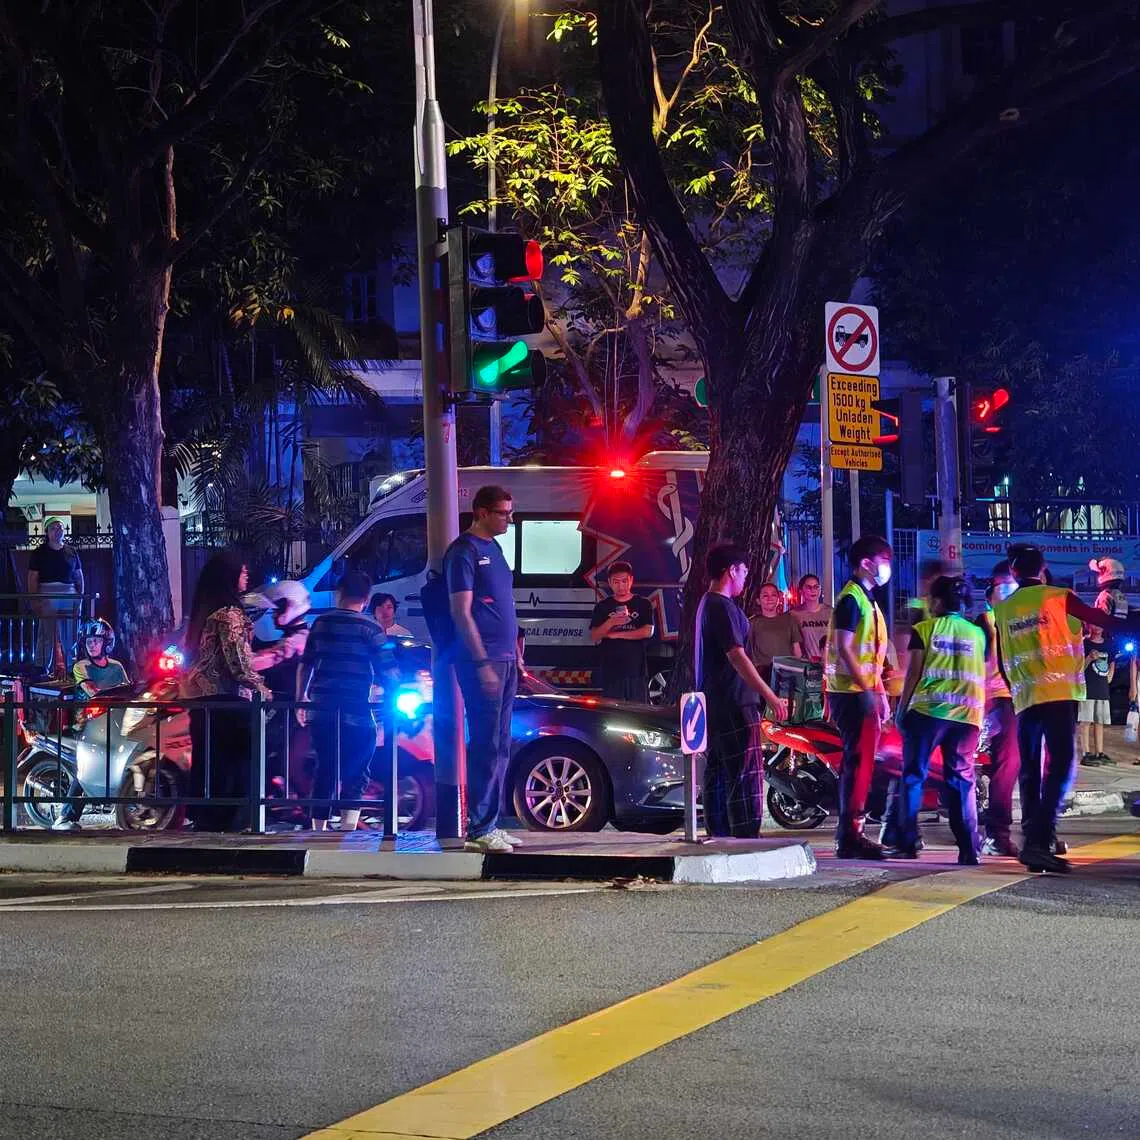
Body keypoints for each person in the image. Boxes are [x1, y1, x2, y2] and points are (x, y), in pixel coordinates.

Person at [992, 543, 1135, 872]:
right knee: (1061, 767)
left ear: (1013, 572)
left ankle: (1035, 842)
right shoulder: (1059, 596)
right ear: (1042, 569)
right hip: (1058, 695)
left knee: (1029, 771)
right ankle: (1040, 839)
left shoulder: (1004, 609)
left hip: (1025, 699)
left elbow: (1002, 659)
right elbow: (1101, 621)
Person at [445, 485, 525, 854]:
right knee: (486, 744)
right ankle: (478, 827)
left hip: (506, 659)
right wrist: (482, 664)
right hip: (484, 662)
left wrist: (515, 656)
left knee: (501, 744)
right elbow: (461, 612)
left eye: (509, 512)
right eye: (502, 512)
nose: (509, 518)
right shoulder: (464, 552)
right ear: (480, 512)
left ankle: (490, 821)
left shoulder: (495, 549)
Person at [889, 576, 986, 864]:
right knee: (961, 781)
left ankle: (907, 842)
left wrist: (901, 710)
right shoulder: (977, 634)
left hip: (928, 714)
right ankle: (969, 848)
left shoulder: (925, 630)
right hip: (968, 717)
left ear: (938, 601)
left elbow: (913, 674)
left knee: (914, 776)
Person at [695, 544, 787, 838]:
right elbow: (737, 655)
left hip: (717, 702)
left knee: (720, 771)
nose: (746, 577)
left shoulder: (708, 605)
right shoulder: (720, 607)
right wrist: (770, 695)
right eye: (744, 571)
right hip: (734, 702)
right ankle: (745, 835)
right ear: (731, 570)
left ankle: (720, 832)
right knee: (743, 773)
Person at [297, 572, 393, 832]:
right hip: (357, 710)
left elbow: (306, 665)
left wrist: (301, 698)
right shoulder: (371, 628)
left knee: (325, 766)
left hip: (322, 709)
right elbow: (388, 669)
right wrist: (390, 694)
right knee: (358, 766)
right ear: (366, 598)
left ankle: (319, 827)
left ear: (339, 592)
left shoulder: (320, 623)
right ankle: (348, 827)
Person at [182, 552, 271, 831]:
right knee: (234, 760)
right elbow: (238, 663)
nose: (246, 577)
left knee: (208, 760)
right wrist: (262, 688)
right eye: (243, 572)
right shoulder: (229, 615)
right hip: (227, 699)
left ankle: (206, 818)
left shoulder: (204, 611)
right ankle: (231, 820)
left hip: (201, 699)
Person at [823, 535, 894, 859]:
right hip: (851, 694)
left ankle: (852, 833)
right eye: (883, 559)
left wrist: (878, 692)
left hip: (860, 691)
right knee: (859, 764)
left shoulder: (867, 600)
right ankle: (851, 835)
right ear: (866, 563)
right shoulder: (852, 598)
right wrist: (868, 690)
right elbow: (843, 646)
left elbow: (872, 657)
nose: (887, 566)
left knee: (863, 764)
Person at [52, 619, 131, 831]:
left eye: (96, 641)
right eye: (88, 641)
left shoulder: (117, 667)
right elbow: (90, 690)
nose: (92, 645)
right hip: (86, 725)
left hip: (113, 722)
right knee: (86, 770)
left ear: (106, 643)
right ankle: (65, 817)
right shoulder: (81, 666)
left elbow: (128, 690)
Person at [975, 562, 1021, 856]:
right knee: (1008, 765)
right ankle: (997, 834)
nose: (1008, 592)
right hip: (1000, 699)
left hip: (1025, 698)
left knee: (1024, 767)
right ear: (991, 592)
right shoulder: (987, 621)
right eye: (1003, 587)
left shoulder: (1019, 618)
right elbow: (983, 665)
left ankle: (1038, 833)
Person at [588, 561, 655, 701]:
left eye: (624, 581)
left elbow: (647, 631)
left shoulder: (642, 603)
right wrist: (612, 622)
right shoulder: (603, 606)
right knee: (613, 714)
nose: (621, 586)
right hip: (611, 671)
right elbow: (594, 635)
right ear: (610, 582)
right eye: (616, 582)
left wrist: (615, 635)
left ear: (631, 580)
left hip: (636, 670)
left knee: (637, 713)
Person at [27, 517, 84, 675]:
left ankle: (72, 666)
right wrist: (34, 600)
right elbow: (32, 577)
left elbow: (79, 576)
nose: (57, 530)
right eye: (53, 528)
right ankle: (42, 666)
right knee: (47, 631)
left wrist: (80, 597)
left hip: (69, 593)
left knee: (71, 632)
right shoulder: (39, 553)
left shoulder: (71, 551)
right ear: (47, 532)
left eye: (60, 527)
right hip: (47, 593)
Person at [747, 581, 803, 682]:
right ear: (758, 601)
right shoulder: (752, 623)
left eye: (773, 595)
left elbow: (796, 649)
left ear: (778, 598)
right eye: (765, 596)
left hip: (787, 672)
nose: (770, 599)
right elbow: (748, 651)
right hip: (762, 674)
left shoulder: (789, 620)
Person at [1078, 625, 1114, 766]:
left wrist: (1110, 675)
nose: (1097, 627)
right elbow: (1078, 667)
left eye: (1100, 624)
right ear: (1088, 625)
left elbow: (1112, 662)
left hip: (1102, 688)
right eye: (1093, 623)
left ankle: (1100, 752)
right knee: (1086, 721)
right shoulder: (1083, 643)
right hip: (1088, 688)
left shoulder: (1108, 643)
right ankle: (1086, 753)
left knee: (1100, 721)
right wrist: (1088, 658)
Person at [792, 573, 832, 662]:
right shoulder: (794, 614)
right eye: (808, 587)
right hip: (807, 666)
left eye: (816, 587)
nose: (812, 590)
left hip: (829, 665)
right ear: (801, 591)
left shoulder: (831, 612)